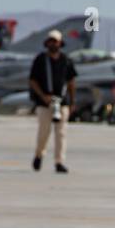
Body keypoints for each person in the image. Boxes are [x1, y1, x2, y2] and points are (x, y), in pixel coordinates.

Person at [28, 29, 77, 173]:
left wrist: (73, 101)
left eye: (55, 41)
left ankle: (59, 161)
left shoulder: (66, 61)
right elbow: (32, 81)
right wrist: (43, 96)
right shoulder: (40, 60)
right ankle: (39, 154)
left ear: (60, 43)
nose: (53, 43)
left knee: (61, 133)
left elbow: (71, 82)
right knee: (44, 132)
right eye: (50, 41)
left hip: (62, 102)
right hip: (44, 102)